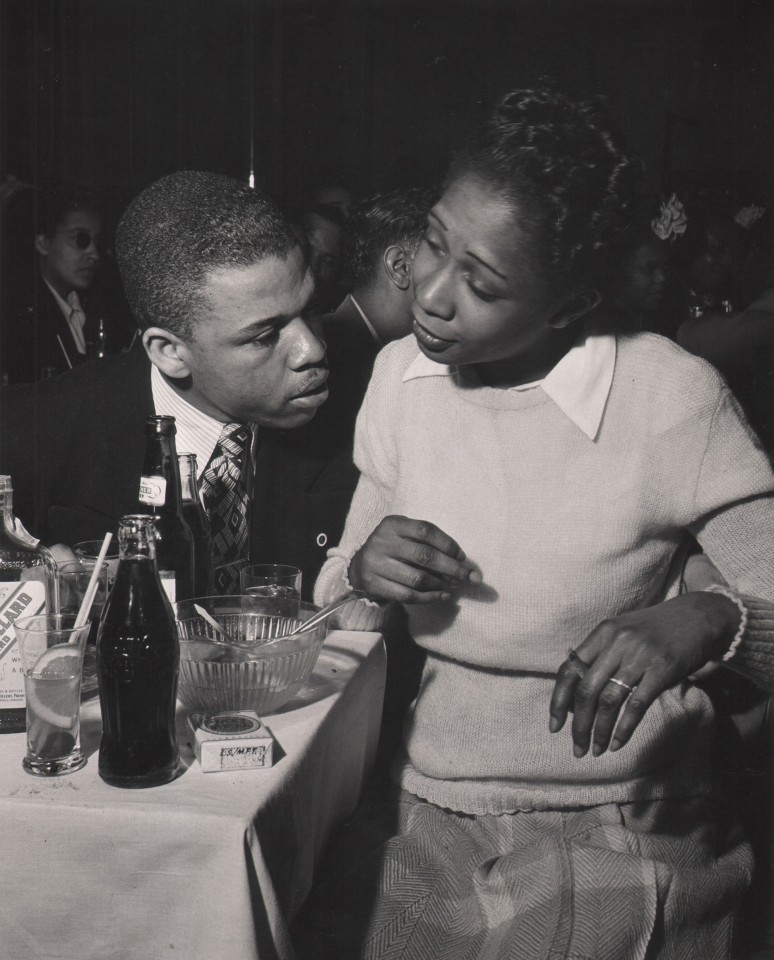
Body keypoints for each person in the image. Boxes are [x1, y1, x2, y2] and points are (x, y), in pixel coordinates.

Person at [297, 85, 774, 959]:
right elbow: (339, 606)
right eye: (432, 243)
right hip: (429, 804)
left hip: (628, 814)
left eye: (480, 283)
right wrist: (363, 572)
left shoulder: (672, 395)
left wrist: (709, 617)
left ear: (568, 306)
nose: (431, 294)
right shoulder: (400, 379)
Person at [0, 170, 343, 595]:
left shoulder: (369, 415)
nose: (312, 349)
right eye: (265, 336)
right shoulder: (36, 425)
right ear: (169, 352)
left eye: (311, 309)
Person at [1, 185, 131, 383]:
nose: (94, 254)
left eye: (97, 242)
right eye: (81, 239)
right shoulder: (17, 318)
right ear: (43, 243)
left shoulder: (100, 308)